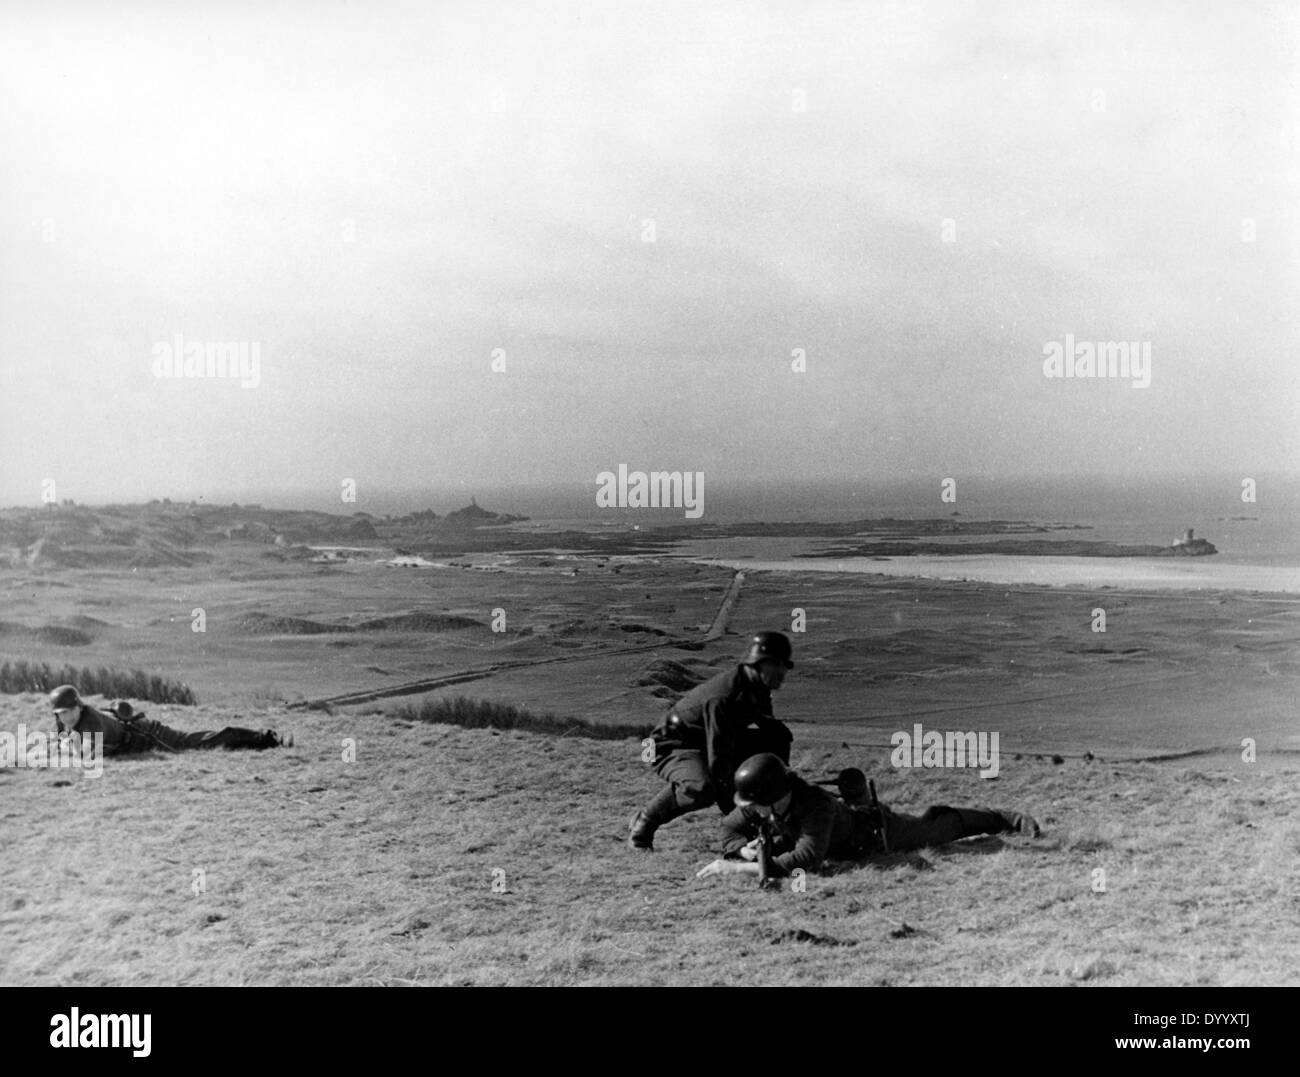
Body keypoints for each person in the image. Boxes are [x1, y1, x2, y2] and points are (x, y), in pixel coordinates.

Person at [695, 753, 1040, 880]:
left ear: (772, 798)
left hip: (877, 833)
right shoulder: (764, 805)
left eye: (753, 805)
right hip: (843, 841)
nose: (749, 812)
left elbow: (806, 861)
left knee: (939, 827)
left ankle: (1006, 818)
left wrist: (735, 868)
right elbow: (728, 829)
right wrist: (743, 850)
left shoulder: (816, 806)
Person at [628, 631, 796, 851]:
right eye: (778, 666)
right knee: (702, 788)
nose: (783, 673)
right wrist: (738, 809)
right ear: (759, 663)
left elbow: (773, 735)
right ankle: (644, 823)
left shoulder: (758, 687)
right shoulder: (724, 697)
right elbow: (719, 758)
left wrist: (779, 783)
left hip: (707, 740)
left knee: (778, 736)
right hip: (671, 745)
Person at [49, 685, 292, 754]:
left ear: (79, 707)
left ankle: (268, 738)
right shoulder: (65, 718)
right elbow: (62, 741)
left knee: (201, 742)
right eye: (60, 714)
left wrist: (66, 747)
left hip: (149, 735)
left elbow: (88, 754)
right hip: (133, 732)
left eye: (69, 712)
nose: (65, 718)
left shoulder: (91, 722)